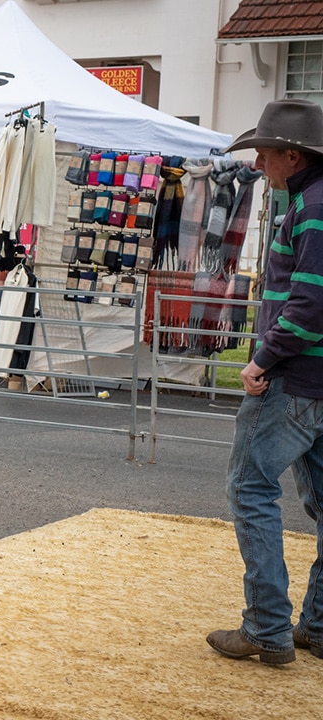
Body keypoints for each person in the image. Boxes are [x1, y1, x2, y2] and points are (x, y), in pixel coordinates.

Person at [207, 98, 323, 665]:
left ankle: (268, 629)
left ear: (291, 155)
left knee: (251, 490)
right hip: (318, 379)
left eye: (264, 153)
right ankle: (316, 625)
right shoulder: (310, 200)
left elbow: (308, 305)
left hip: (294, 378)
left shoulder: (312, 207)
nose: (256, 165)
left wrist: (262, 360)